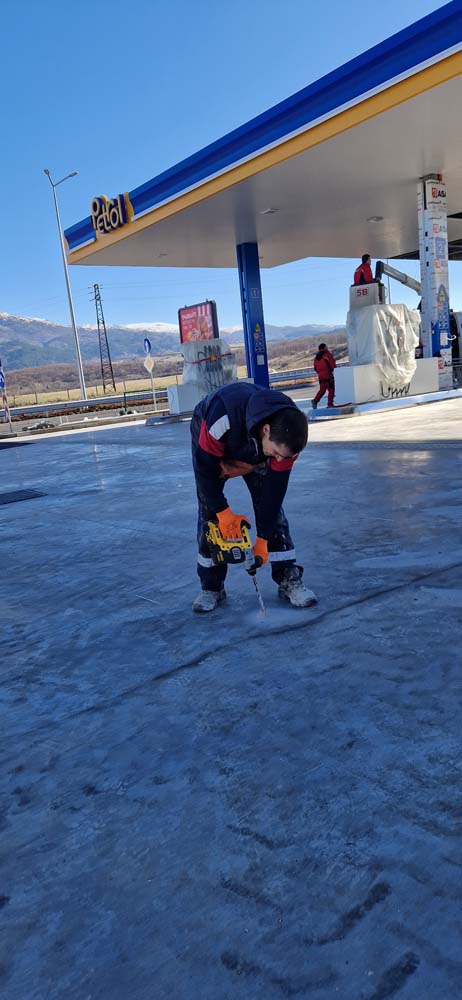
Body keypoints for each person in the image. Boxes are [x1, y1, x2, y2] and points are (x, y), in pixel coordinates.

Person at [190, 382, 317, 613]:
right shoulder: (221, 419)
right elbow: (204, 473)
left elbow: (274, 492)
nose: (279, 460)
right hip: (219, 434)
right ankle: (212, 586)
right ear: (266, 430)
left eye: (283, 457)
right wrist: (223, 513)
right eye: (276, 454)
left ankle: (288, 578)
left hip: (253, 443)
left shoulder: (290, 439)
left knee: (273, 512)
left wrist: (263, 539)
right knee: (210, 513)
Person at [312, 343, 336, 409]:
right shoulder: (327, 355)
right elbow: (333, 365)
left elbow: (315, 368)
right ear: (325, 348)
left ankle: (315, 401)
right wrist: (333, 370)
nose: (327, 348)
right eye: (326, 347)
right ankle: (330, 404)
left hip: (321, 376)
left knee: (322, 390)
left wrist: (320, 373)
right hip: (328, 375)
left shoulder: (316, 357)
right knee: (331, 390)